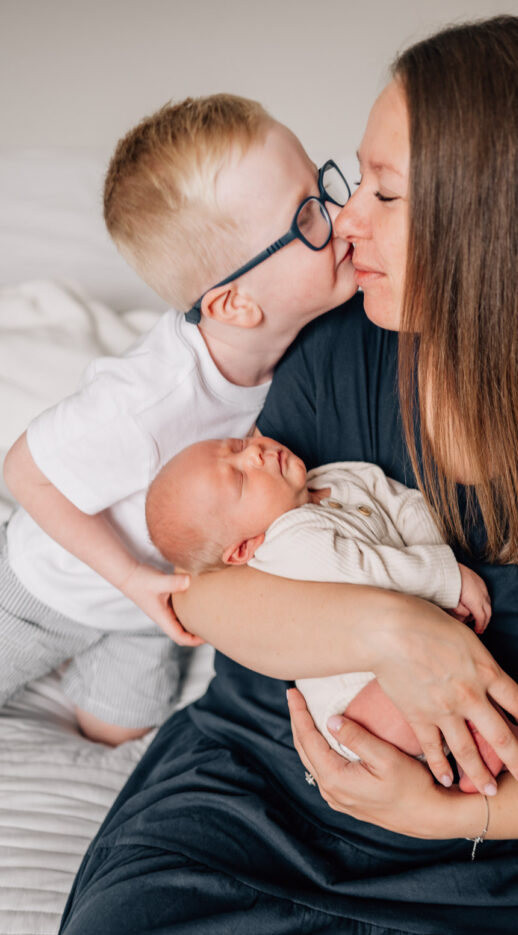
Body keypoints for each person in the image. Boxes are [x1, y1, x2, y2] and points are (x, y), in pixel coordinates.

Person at [16, 15, 518, 935]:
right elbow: (213, 589)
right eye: (352, 180)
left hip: (503, 888)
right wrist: (392, 630)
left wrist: (451, 811)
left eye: (384, 192)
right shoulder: (339, 348)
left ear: (498, 220)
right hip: (252, 811)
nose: (346, 223)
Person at [0, 94, 355, 744]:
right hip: (45, 588)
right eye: (307, 215)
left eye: (323, 187)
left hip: (146, 607)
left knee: (118, 731)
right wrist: (129, 578)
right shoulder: (150, 396)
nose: (342, 215)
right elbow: (25, 471)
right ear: (236, 304)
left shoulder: (306, 348)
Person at [145, 435, 518, 779]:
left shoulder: (335, 478)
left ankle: (483, 753)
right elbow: (368, 572)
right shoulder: (287, 542)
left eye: (237, 445)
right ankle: (499, 746)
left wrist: (432, 549)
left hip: (409, 648)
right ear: (243, 549)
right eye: (240, 478)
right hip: (355, 702)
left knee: (451, 671)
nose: (254, 453)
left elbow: (405, 503)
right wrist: (445, 577)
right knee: (423, 688)